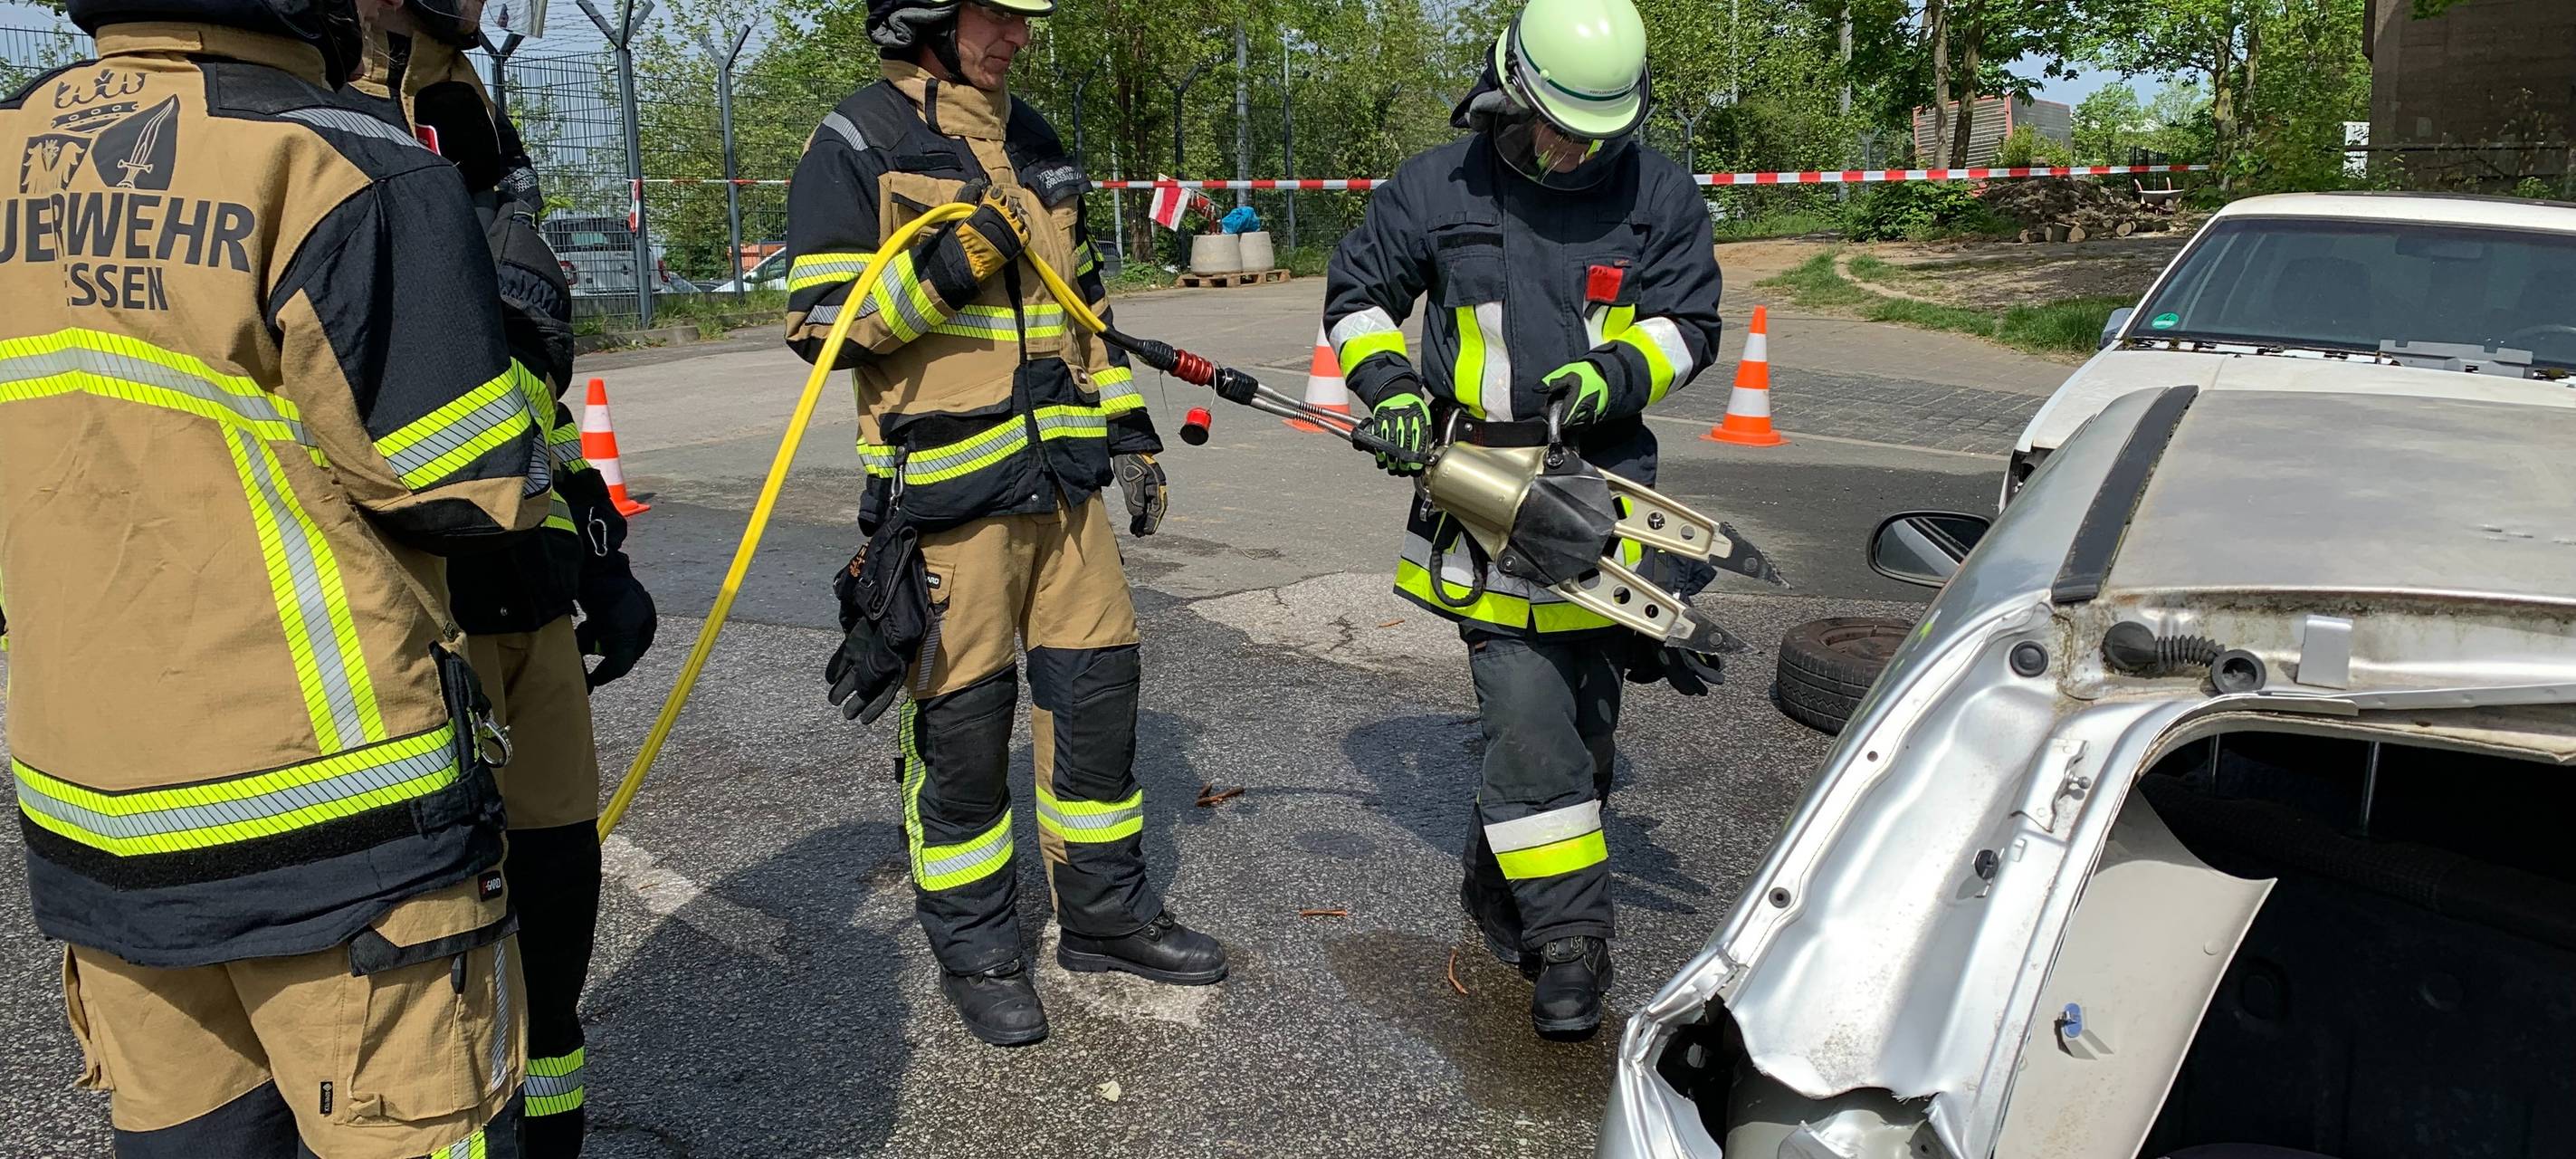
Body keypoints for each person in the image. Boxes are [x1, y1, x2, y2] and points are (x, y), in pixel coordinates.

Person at [2, 0, 553, 1148]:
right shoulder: (334, 160)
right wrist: (502, 318)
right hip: (339, 823)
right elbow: (464, 483)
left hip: (96, 818)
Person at [782, 0, 1226, 1048]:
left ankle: (1103, 917)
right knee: (964, 734)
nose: (1018, 38)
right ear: (925, 17)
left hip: (1064, 494)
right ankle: (977, 946)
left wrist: (1130, 434)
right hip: (946, 505)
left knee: (1097, 706)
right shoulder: (857, 142)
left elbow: (1088, 307)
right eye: (998, 17)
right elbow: (821, 324)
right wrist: (955, 258)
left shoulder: (1032, 139)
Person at [1321, 0, 1723, 1040]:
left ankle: (1503, 889)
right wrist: (1391, 388)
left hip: (1604, 493)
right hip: (1481, 490)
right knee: (1528, 716)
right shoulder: (1433, 186)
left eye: (1597, 135)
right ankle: (1568, 943)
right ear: (1507, 90)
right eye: (1556, 127)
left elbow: (1689, 322)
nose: (1574, 150)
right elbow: (1358, 296)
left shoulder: (1659, 193)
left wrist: (1617, 374)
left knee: (1583, 730)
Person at [344, 0, 656, 1150]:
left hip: (525, 590)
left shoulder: (462, 106)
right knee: (425, 957)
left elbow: (518, 376)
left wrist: (588, 525)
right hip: (408, 611)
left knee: (559, 904)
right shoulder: (313, 99)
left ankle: (555, 1133)